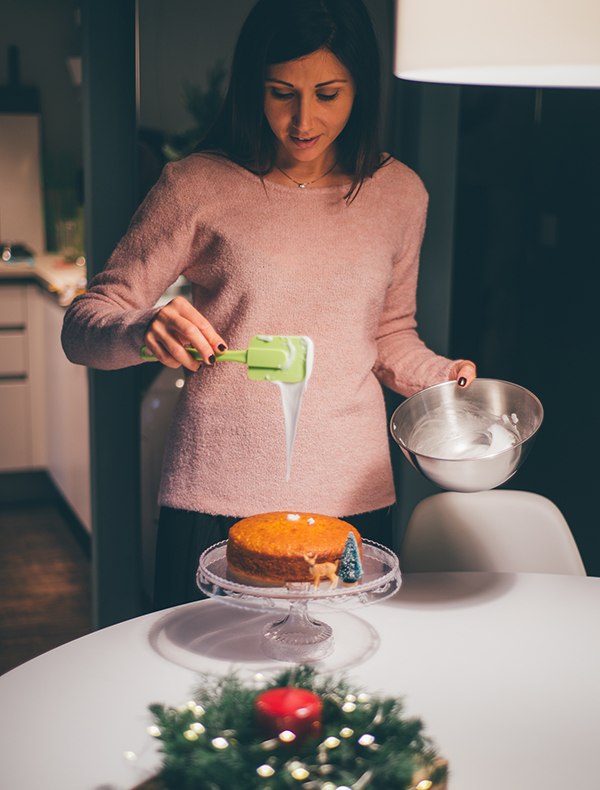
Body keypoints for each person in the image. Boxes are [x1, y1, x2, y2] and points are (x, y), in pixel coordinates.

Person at [62, 0, 476, 609]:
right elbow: (83, 326)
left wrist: (445, 379)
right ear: (251, 86)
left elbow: (389, 336)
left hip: (350, 495)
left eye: (328, 93)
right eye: (281, 92)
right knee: (207, 684)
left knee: (342, 686)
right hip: (216, 492)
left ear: (360, 88)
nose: (303, 119)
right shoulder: (197, 186)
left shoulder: (399, 193)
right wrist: (144, 327)